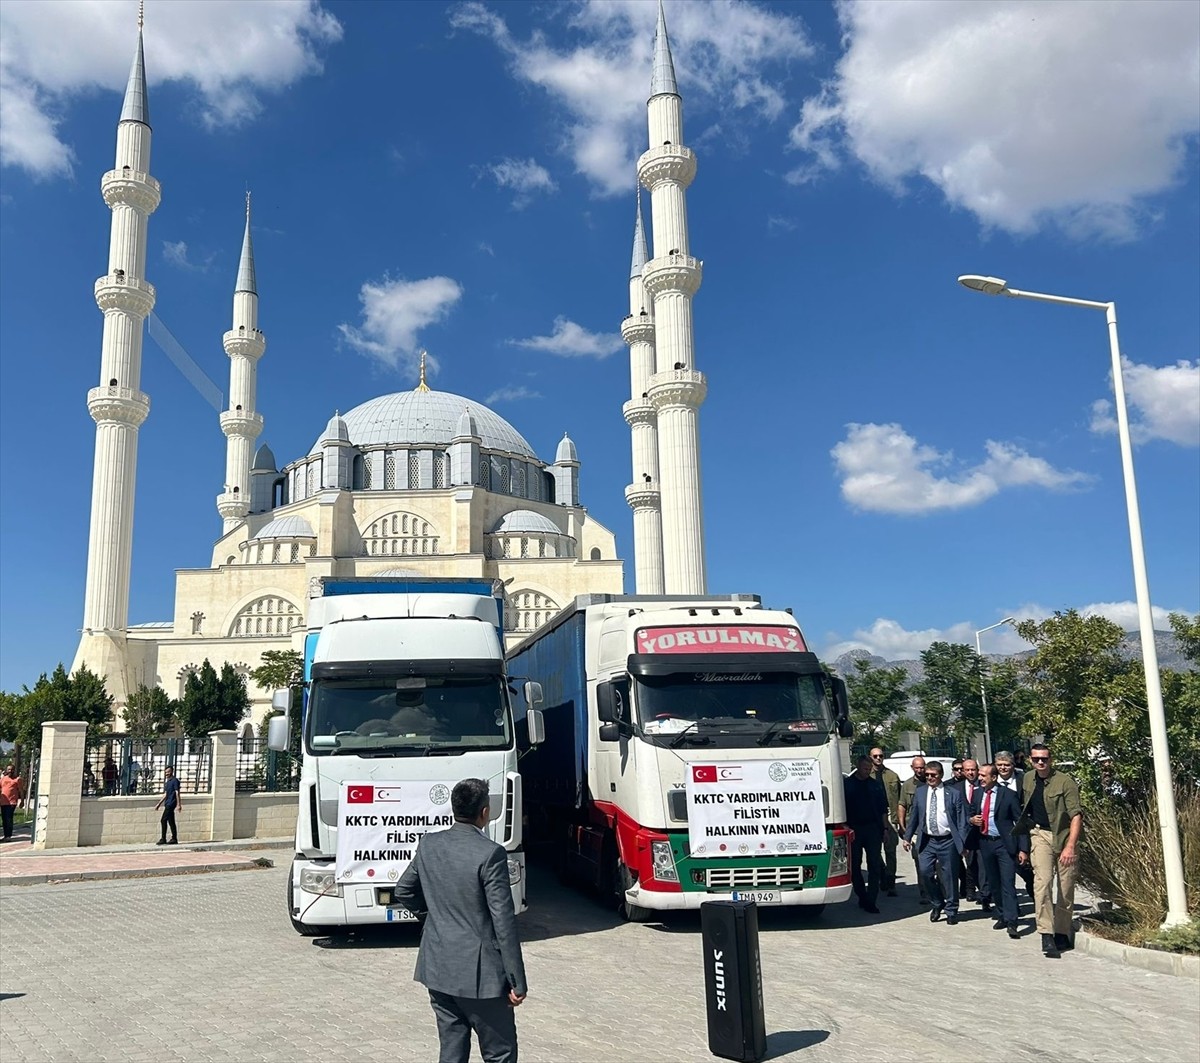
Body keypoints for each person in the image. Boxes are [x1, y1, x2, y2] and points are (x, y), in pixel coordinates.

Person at [394, 777, 527, 1063]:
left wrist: (432, 918)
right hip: (482, 979)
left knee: (451, 1052)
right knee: (500, 1054)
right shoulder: (490, 853)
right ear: (484, 812)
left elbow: (403, 890)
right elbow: (503, 921)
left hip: (438, 969)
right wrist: (517, 981)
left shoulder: (429, 844)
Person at [1019, 743, 1083, 959]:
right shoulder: (1028, 779)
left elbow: (1076, 815)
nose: (1040, 762)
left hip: (1064, 836)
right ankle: (1046, 932)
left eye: (1044, 759)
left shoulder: (1065, 782)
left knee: (1066, 886)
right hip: (1040, 835)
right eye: (1036, 759)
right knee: (1043, 882)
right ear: (1030, 760)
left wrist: (1070, 846)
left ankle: (1062, 931)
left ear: (1051, 760)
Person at [903, 761, 968, 924]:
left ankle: (951, 910)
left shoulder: (953, 793)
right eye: (927, 775)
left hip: (948, 840)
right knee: (925, 872)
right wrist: (907, 837)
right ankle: (938, 903)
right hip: (928, 840)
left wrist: (962, 843)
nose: (930, 778)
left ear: (941, 775)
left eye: (933, 775)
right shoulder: (920, 792)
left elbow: (961, 820)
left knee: (949, 876)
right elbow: (914, 816)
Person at [969, 763, 1027, 939]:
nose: (980, 778)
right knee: (993, 882)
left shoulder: (1008, 795)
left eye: (983, 775)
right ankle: (1002, 914)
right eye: (979, 775)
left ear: (994, 777)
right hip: (985, 843)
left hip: (1004, 844)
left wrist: (1023, 849)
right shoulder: (977, 793)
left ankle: (1012, 921)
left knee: (1007, 883)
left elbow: (1020, 822)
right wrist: (972, 820)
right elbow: (970, 814)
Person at [845, 755, 888, 913]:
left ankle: (871, 899)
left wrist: (885, 829)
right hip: (854, 828)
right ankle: (862, 896)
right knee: (855, 865)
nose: (867, 771)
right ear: (857, 766)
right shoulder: (847, 785)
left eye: (869, 769)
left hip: (872, 829)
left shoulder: (875, 785)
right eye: (865, 768)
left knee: (874, 864)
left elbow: (883, 809)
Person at [996, 750, 1034, 899]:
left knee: (1025, 868)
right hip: (1000, 834)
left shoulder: (1023, 781)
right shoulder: (991, 781)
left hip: (1022, 830)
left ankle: (1033, 892)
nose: (1003, 768)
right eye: (999, 765)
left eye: (1006, 765)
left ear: (1013, 765)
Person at [949, 758, 983, 904]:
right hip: (964, 831)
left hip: (982, 831)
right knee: (969, 861)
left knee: (981, 862)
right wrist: (969, 820)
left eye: (973, 769)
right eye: (967, 770)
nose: (970, 772)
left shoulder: (983, 785)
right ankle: (970, 889)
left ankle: (983, 891)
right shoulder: (955, 789)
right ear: (963, 771)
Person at [869, 747, 901, 896]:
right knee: (875, 851)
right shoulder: (866, 775)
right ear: (870, 757)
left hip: (890, 815)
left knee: (891, 851)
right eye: (875, 756)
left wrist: (899, 820)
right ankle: (883, 873)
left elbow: (899, 799)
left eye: (880, 756)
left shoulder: (892, 775)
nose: (878, 758)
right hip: (873, 817)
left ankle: (890, 881)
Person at [897, 756, 929, 903]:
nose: (920, 770)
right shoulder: (908, 785)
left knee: (936, 864)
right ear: (912, 768)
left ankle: (941, 891)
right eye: (917, 767)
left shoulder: (931, 781)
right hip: (915, 830)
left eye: (922, 767)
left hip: (931, 829)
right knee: (920, 863)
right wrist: (903, 827)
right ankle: (925, 893)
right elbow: (902, 805)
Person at [154, 766, 182, 845]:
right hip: (167, 803)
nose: (166, 774)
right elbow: (166, 794)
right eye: (166, 772)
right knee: (171, 821)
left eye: (168, 772)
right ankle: (174, 838)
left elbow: (177, 792)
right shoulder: (168, 782)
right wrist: (159, 804)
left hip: (171, 803)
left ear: (172, 772)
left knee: (163, 820)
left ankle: (163, 838)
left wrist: (179, 804)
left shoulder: (175, 781)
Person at [0, 765, 23, 841]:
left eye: (12, 769)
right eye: (9, 769)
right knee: (4, 819)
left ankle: (8, 836)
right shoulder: (3, 779)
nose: (10, 771)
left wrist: (22, 801)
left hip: (12, 802)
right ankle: (6, 835)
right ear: (7, 770)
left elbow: (21, 791)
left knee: (9, 818)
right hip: (3, 802)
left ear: (14, 770)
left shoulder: (17, 779)